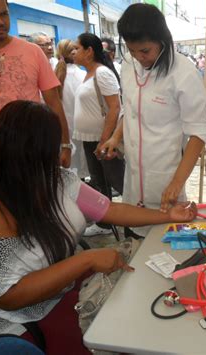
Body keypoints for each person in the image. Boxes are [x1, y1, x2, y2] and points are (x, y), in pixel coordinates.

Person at [0, 100, 197, 354]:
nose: (59, 154)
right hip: (17, 324)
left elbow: (111, 210)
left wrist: (166, 216)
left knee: (139, 313)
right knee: (122, 338)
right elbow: (7, 296)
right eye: (54, 147)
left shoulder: (56, 180)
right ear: (34, 151)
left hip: (62, 294)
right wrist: (84, 261)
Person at [101, 3, 206, 237]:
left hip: (165, 184)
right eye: (131, 50)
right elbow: (129, 109)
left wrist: (176, 184)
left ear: (163, 39)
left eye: (145, 51)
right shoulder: (128, 66)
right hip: (132, 184)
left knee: (162, 249)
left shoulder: (183, 73)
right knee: (134, 243)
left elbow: (198, 133)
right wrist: (115, 137)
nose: (139, 58)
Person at [0, 0, 71, 167]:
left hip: (36, 151)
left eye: (4, 14)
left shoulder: (33, 52)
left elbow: (54, 102)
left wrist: (65, 144)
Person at [72, 33, 125, 236]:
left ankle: (134, 216)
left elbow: (115, 107)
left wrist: (105, 140)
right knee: (99, 182)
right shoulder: (87, 73)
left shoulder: (102, 73)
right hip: (90, 138)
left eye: (77, 48)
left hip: (101, 139)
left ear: (89, 51)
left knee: (116, 180)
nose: (73, 52)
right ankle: (104, 223)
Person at [54, 39, 88, 178]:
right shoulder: (83, 76)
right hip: (79, 127)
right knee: (80, 165)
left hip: (59, 129)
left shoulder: (53, 75)